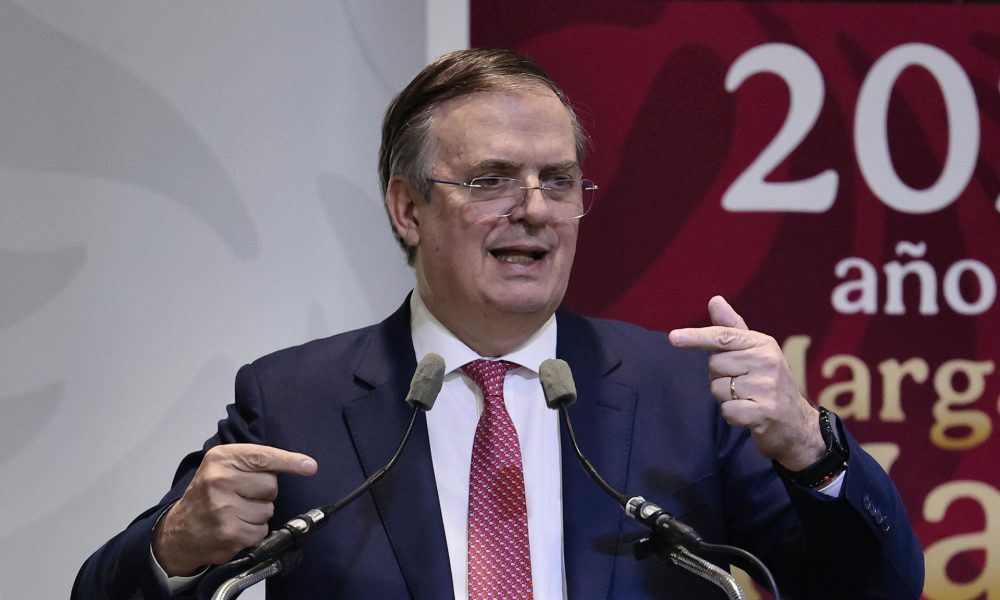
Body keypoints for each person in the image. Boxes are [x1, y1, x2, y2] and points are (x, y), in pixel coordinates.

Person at [73, 48, 924, 599]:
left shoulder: (680, 393)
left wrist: (815, 451)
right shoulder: (296, 399)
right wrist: (176, 547)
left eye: (559, 180)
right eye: (490, 180)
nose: (534, 210)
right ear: (407, 209)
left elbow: (879, 590)